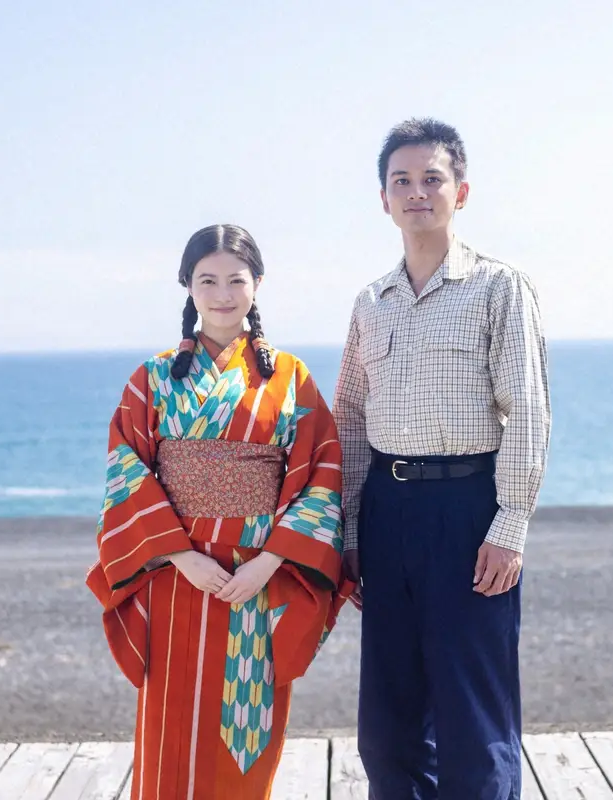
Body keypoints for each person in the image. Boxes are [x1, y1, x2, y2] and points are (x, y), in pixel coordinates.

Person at [86, 223, 353, 800]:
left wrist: (270, 562)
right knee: (170, 733)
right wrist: (180, 556)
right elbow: (125, 473)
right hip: (175, 579)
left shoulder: (290, 378)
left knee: (245, 735)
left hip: (256, 578)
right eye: (208, 280)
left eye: (236, 279)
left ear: (258, 283)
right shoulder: (151, 379)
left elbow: (323, 474)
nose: (223, 293)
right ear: (187, 286)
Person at [333, 118, 552, 799]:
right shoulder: (371, 302)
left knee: (472, 718)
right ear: (383, 199)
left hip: (468, 510)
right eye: (402, 181)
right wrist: (347, 533)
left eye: (432, 178)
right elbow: (349, 417)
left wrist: (509, 524)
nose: (417, 192)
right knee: (388, 726)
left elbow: (529, 410)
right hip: (387, 514)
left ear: (461, 190)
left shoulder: (499, 287)